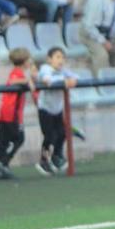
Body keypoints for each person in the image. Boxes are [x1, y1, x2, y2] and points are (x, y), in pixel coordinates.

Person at [36, 47, 79, 175]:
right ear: (49, 59)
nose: (61, 60)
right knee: (49, 136)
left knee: (62, 133)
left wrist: (72, 80)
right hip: (46, 109)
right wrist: (64, 81)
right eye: (57, 57)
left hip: (57, 109)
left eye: (62, 57)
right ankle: (44, 160)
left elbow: (76, 77)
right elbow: (47, 81)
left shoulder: (63, 71)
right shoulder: (46, 69)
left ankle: (56, 156)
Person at [0, 46, 37, 180]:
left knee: (4, 141)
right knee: (19, 138)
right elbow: (12, 81)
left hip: (4, 112)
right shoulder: (17, 73)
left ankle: (2, 168)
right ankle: (3, 163)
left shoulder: (19, 73)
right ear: (24, 61)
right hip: (11, 113)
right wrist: (27, 80)